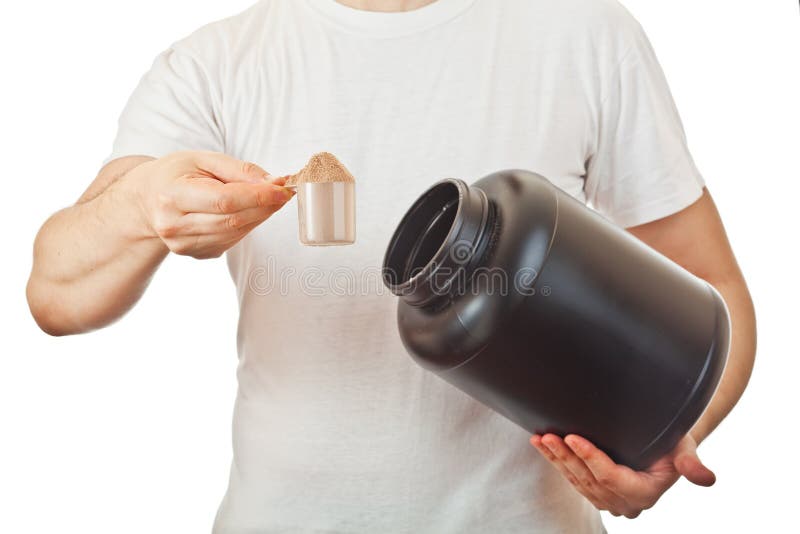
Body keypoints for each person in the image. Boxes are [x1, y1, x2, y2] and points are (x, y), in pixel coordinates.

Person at [26, 0, 757, 532]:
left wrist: (661, 443)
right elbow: (57, 294)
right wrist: (140, 208)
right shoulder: (216, 64)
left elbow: (711, 287)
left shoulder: (584, 33)